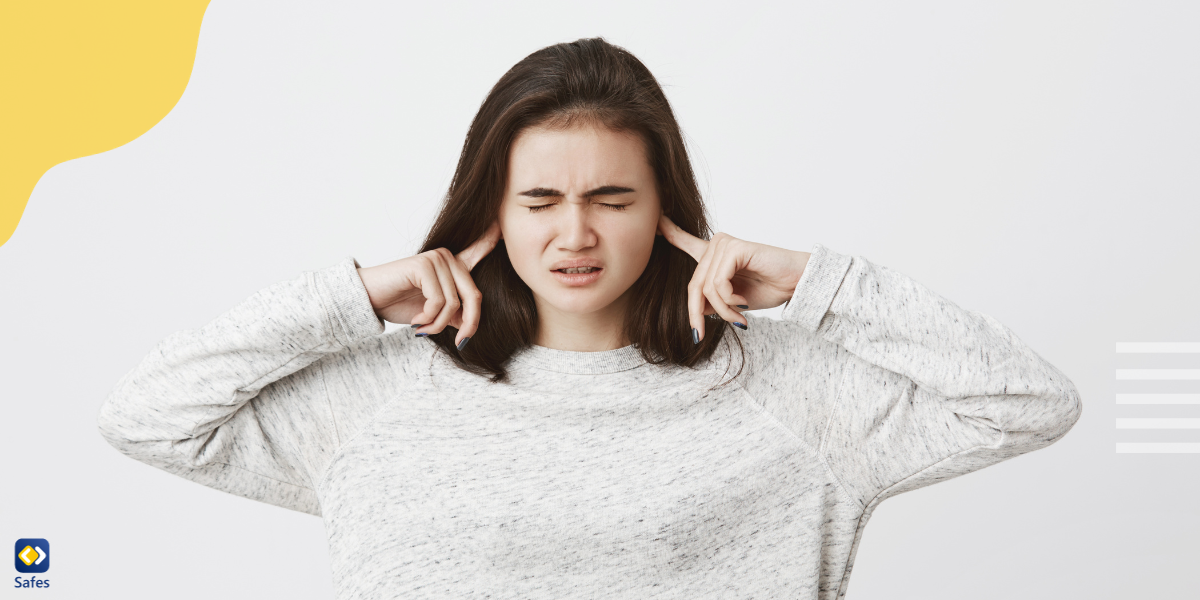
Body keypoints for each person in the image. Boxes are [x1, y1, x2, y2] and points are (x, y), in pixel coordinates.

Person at [97, 37, 1082, 599]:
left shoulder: (791, 392)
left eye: (612, 199)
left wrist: (815, 284)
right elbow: (147, 415)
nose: (577, 234)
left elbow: (1028, 402)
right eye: (539, 201)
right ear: (491, 210)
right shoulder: (377, 398)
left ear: (666, 210)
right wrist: (352, 301)